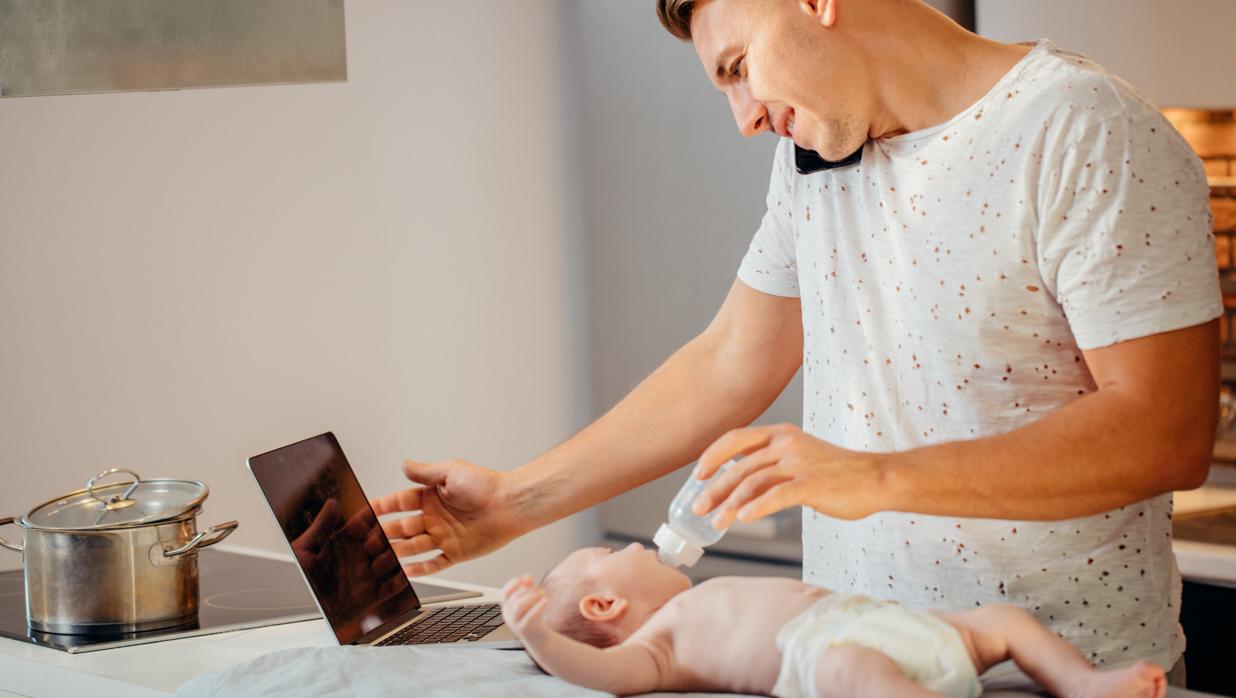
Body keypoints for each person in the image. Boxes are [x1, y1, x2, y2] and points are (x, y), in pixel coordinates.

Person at [371, 0, 1220, 681]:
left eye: (738, 67)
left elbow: (1166, 429)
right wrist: (513, 503)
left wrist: (874, 476)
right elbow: (729, 360)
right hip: (847, 668)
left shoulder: (1082, 131)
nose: (743, 117)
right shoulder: (813, 159)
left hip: (1059, 672)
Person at [498, 542, 1167, 698]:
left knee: (1003, 619)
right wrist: (539, 637)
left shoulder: (692, 601)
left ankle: (1083, 684)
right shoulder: (657, 647)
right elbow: (603, 676)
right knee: (850, 671)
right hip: (834, 655)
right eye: (611, 556)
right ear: (604, 605)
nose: (635, 546)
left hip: (896, 626)